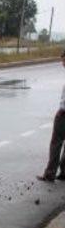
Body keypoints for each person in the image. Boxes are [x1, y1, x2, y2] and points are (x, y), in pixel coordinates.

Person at [37, 51, 65, 182]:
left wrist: (61, 110)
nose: (62, 63)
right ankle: (64, 172)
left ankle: (50, 173)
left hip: (63, 115)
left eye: (63, 59)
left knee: (56, 143)